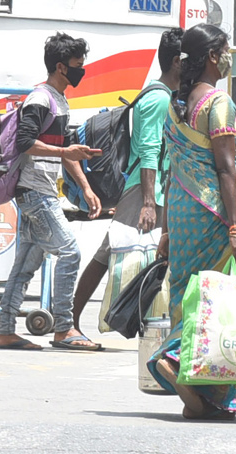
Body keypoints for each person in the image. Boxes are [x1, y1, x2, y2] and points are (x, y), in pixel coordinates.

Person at [148, 24, 236, 420]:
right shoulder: (218, 103)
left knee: (192, 290)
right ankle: (182, 364)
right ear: (211, 57)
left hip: (184, 212)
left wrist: (167, 230)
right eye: (225, 51)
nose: (229, 58)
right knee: (225, 295)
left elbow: (172, 166)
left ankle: (204, 398)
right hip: (213, 214)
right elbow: (226, 170)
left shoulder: (177, 102)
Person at [0, 33, 102, 352]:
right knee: (70, 252)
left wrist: (85, 186)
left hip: (41, 192)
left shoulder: (59, 99)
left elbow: (65, 150)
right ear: (60, 67)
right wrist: (65, 152)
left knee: (24, 264)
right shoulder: (40, 98)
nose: (82, 71)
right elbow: (24, 142)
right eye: (77, 66)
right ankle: (64, 328)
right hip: (33, 191)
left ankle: (4, 330)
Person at [70, 27, 183, 336]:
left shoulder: (163, 95)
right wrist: (148, 202)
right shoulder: (159, 99)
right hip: (144, 189)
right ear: (177, 62)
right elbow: (148, 150)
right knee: (110, 255)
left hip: (152, 188)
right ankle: (70, 323)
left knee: (112, 254)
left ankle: (74, 321)